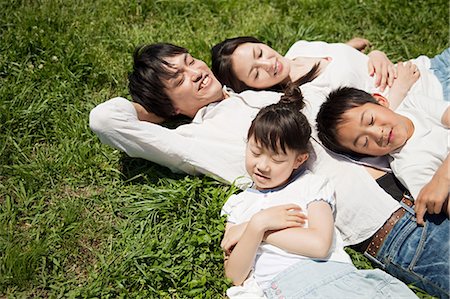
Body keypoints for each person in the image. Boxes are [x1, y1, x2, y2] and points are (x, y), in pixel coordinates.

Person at [89, 43, 450, 298]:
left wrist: (373, 55)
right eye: (178, 80)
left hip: (418, 169)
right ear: (168, 103)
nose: (195, 72)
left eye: (189, 61)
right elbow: (105, 119)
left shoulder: (259, 91)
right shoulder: (194, 139)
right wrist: (160, 111)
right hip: (393, 227)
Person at [220, 99, 416, 298]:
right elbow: (234, 275)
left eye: (277, 159)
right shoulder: (239, 205)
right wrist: (256, 224)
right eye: (255, 152)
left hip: (329, 280)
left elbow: (319, 245)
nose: (262, 165)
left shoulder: (310, 186)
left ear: (299, 160)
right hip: (279, 290)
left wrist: (258, 230)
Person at [316, 86, 450, 225]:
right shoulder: (408, 168)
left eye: (370, 120)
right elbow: (441, 200)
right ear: (367, 155)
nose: (377, 133)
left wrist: (443, 176)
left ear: (381, 101)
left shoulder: (413, 104)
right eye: (364, 142)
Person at [211, 36, 448, 107]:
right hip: (432, 97)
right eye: (256, 74)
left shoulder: (300, 48)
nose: (268, 64)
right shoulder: (309, 97)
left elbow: (342, 56)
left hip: (428, 65)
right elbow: (375, 118)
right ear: (254, 88)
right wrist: (401, 86)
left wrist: (375, 55)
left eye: (259, 53)